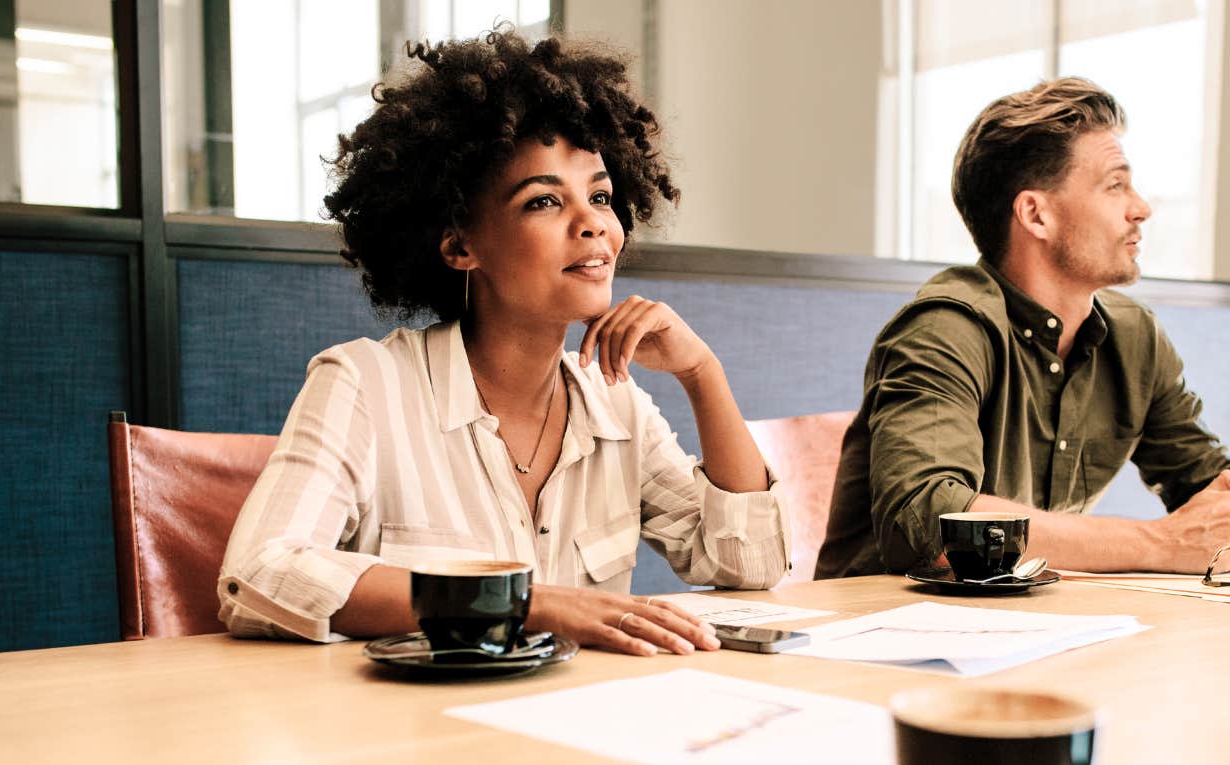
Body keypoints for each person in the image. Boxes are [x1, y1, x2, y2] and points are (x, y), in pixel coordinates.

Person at [217, 29, 789, 656]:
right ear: (461, 245)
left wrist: (702, 374)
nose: (594, 221)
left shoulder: (615, 404)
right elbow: (263, 576)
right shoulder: (364, 385)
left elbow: (749, 565)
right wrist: (525, 604)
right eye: (544, 201)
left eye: (600, 195)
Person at [817, 77, 1230, 579]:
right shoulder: (945, 329)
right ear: (1036, 214)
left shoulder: (1133, 337)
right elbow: (931, 524)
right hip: (881, 636)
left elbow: (1209, 490)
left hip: (1030, 629)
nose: (1141, 207)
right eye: (1115, 184)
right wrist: (1159, 543)